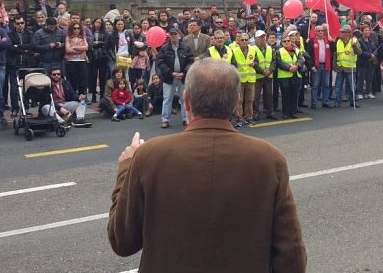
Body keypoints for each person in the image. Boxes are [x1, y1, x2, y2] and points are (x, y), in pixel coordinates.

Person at [107, 58, 306, 271]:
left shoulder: (150, 155)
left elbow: (122, 240)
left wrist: (126, 169)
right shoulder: (269, 159)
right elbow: (292, 257)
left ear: (186, 100)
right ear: (236, 101)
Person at [155, 27, 193, 128]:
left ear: (179, 35)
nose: (173, 36)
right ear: (169, 36)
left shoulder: (186, 47)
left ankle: (186, 119)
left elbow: (190, 61)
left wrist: (184, 73)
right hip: (169, 77)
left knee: (184, 99)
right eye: (171, 34)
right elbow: (160, 62)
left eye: (175, 34)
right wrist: (171, 73)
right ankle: (165, 120)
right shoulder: (164, 48)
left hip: (183, 77)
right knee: (167, 99)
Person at [6, 15, 35, 116]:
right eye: (18, 23)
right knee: (14, 88)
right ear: (14, 24)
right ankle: (15, 108)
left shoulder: (29, 33)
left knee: (26, 87)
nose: (20, 25)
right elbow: (10, 48)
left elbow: (31, 46)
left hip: (27, 63)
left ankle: (25, 108)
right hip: (14, 64)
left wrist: (18, 46)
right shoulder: (9, 34)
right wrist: (24, 50)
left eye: (22, 23)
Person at [230, 32, 259, 127]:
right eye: (242, 40)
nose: (244, 41)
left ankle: (249, 117)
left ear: (248, 41)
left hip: (250, 78)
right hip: (239, 79)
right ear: (239, 41)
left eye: (246, 40)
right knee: (239, 100)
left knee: (250, 99)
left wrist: (254, 63)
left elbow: (257, 61)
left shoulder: (253, 50)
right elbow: (232, 64)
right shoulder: (234, 51)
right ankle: (239, 118)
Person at [275, 33, 304, 119]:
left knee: (294, 95)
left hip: (295, 75)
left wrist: (297, 66)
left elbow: (300, 59)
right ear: (282, 43)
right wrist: (289, 68)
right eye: (285, 41)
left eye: (288, 41)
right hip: (284, 77)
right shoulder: (278, 51)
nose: (287, 42)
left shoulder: (296, 50)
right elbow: (279, 62)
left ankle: (293, 112)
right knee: (286, 96)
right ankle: (285, 113)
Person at [332, 26, 361, 108]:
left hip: (350, 67)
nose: (340, 33)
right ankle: (337, 102)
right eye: (341, 32)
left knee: (352, 86)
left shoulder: (354, 41)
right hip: (340, 67)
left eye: (342, 32)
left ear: (348, 33)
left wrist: (354, 46)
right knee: (338, 86)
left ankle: (353, 101)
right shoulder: (338, 41)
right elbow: (336, 54)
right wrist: (334, 65)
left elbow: (359, 53)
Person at [306, 25, 332, 110]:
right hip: (316, 66)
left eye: (322, 30)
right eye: (319, 31)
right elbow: (308, 55)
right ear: (315, 32)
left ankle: (325, 102)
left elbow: (333, 51)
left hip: (326, 65)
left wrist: (332, 42)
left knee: (326, 85)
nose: (321, 32)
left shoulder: (327, 40)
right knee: (315, 85)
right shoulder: (311, 41)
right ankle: (314, 103)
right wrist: (311, 66)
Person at [64, 22, 89, 96]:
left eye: (78, 28)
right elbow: (68, 50)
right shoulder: (68, 37)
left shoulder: (83, 37)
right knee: (72, 80)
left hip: (82, 60)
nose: (76, 30)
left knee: (82, 81)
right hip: (71, 61)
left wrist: (74, 47)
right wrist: (80, 50)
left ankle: (82, 96)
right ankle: (73, 96)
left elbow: (86, 47)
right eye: (74, 28)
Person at [356, 24, 377, 100]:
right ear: (362, 32)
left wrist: (374, 55)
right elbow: (360, 52)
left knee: (369, 78)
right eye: (366, 30)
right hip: (362, 62)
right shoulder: (359, 41)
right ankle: (360, 93)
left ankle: (369, 92)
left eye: (368, 30)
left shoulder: (371, 40)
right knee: (361, 78)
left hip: (371, 62)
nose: (368, 32)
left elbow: (375, 49)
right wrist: (369, 55)